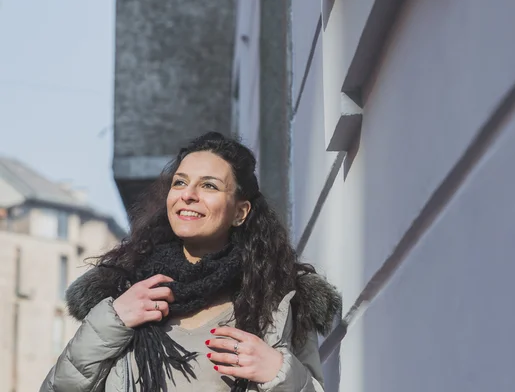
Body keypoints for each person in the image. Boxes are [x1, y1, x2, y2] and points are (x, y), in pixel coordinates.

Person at [40, 132, 341, 392]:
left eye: (209, 185)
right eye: (180, 182)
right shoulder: (125, 294)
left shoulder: (280, 302)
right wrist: (112, 321)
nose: (189, 195)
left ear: (240, 212)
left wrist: (279, 372)